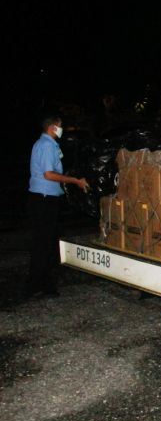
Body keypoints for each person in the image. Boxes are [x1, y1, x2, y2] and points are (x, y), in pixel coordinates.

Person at [27, 115, 89, 297]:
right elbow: (49, 174)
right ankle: (36, 285)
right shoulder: (47, 146)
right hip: (44, 199)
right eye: (60, 127)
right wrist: (74, 181)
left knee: (46, 242)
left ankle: (42, 284)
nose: (62, 130)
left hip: (43, 197)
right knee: (44, 243)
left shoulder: (44, 144)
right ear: (52, 128)